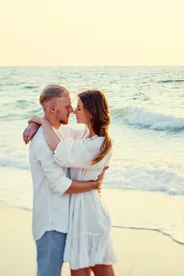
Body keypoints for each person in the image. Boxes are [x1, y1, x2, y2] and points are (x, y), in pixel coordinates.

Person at [24, 89, 116, 276]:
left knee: (99, 269)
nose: (73, 110)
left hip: (88, 212)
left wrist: (40, 122)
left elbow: (64, 151)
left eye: (78, 107)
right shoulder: (78, 135)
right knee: (79, 269)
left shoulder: (99, 143)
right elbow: (55, 130)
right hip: (70, 216)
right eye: (69, 107)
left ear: (90, 112)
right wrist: (37, 122)